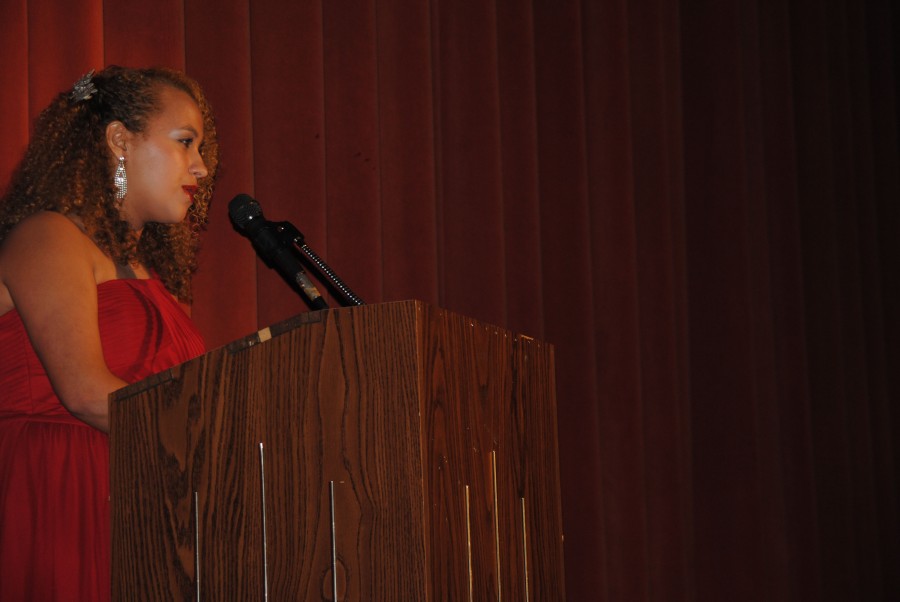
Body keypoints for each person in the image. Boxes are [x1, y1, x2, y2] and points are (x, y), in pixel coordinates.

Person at [0, 65, 218, 601]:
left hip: (137, 502)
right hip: (57, 488)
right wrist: (220, 438)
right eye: (185, 143)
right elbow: (83, 391)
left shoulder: (153, 279)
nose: (203, 167)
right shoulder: (48, 237)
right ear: (119, 139)